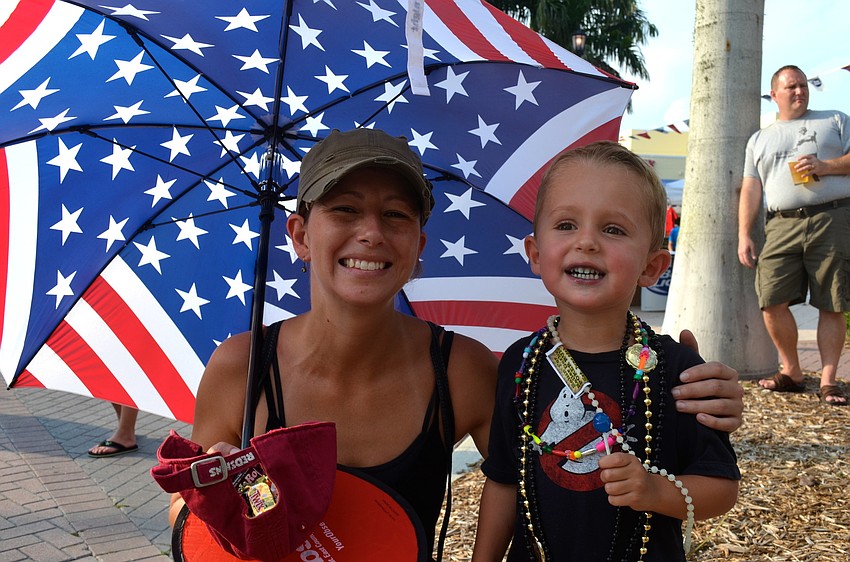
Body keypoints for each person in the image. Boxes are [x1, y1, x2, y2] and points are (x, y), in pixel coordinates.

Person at [168, 129, 745, 558]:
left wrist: (696, 399)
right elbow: (185, 513)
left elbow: (542, 470)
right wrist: (207, 499)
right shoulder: (242, 368)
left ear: (419, 246)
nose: (370, 232)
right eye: (344, 209)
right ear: (299, 233)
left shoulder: (464, 369)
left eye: (395, 215)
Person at [472, 141, 740, 561]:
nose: (587, 242)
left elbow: (721, 489)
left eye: (613, 229)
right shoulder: (520, 363)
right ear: (536, 254)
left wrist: (655, 490)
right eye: (565, 225)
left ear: (651, 267)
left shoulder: (677, 369)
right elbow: (505, 481)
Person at [737, 64, 850, 406]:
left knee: (832, 301)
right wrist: (744, 233)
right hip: (781, 224)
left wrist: (825, 166)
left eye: (803, 85)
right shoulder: (760, 139)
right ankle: (793, 371)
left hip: (831, 217)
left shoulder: (835, 119)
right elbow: (751, 189)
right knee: (770, 298)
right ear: (774, 95)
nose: (800, 91)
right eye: (791, 87)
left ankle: (829, 380)